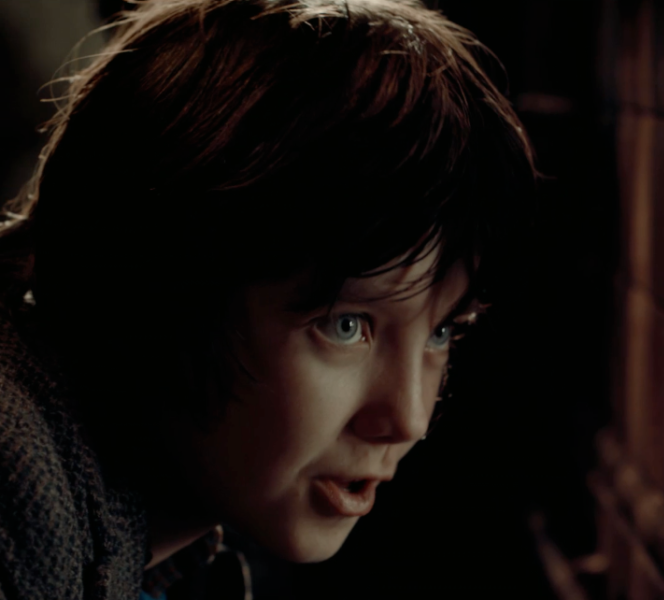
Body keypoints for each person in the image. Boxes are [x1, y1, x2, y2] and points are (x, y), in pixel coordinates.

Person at [0, 0, 536, 598]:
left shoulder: (175, 543)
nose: (409, 418)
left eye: (442, 332)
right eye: (346, 325)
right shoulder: (17, 484)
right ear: (163, 288)